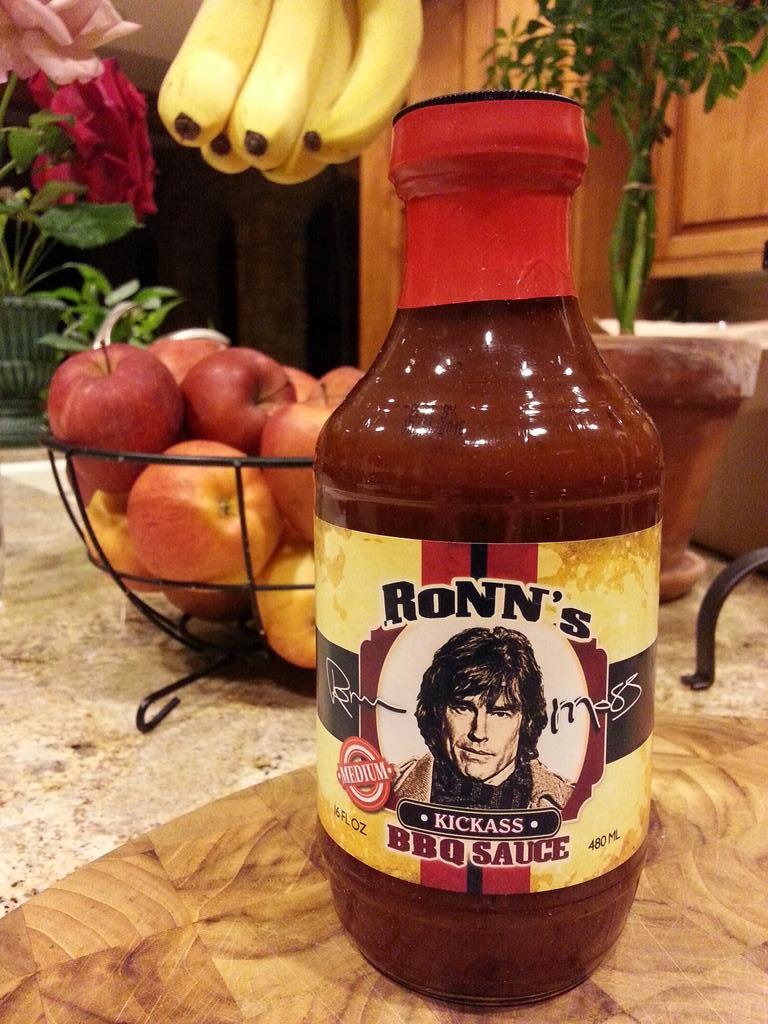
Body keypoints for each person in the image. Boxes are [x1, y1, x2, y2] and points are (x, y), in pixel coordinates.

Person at [394, 626, 573, 811]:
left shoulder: (567, 799)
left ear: (526, 722)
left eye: (499, 713)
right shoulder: (391, 786)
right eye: (463, 708)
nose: (479, 733)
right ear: (437, 712)